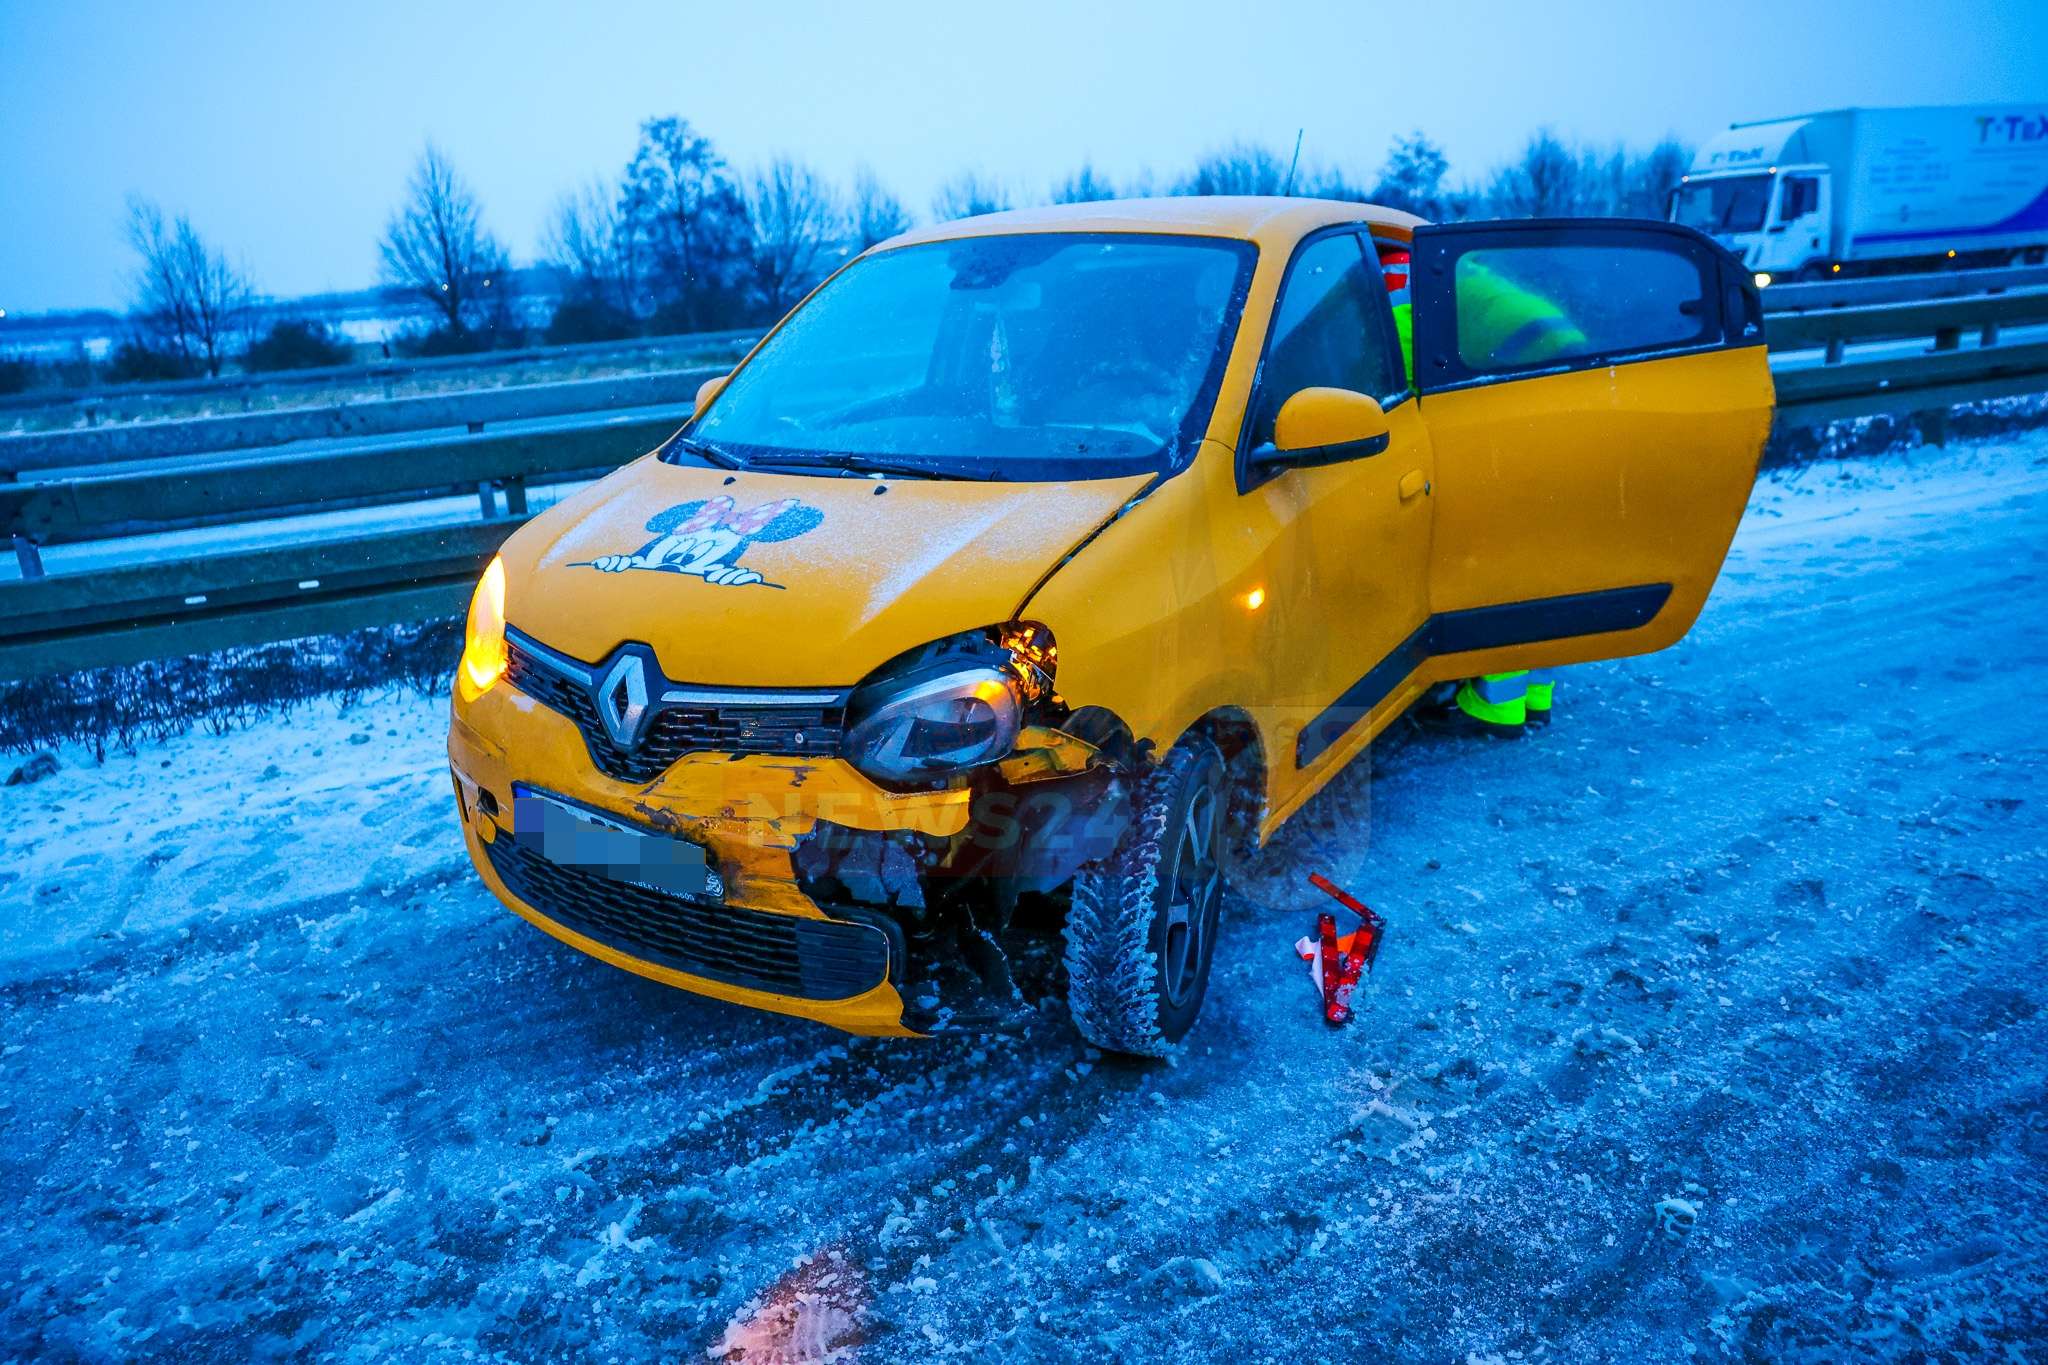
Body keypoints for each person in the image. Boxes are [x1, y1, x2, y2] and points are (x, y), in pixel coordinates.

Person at [1375, 238, 1578, 737]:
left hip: (1518, 429)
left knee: (1497, 573)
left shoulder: (1395, 296)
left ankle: (1495, 709)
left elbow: (1401, 395)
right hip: (1568, 413)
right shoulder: (1468, 278)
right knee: (1540, 571)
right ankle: (1535, 698)